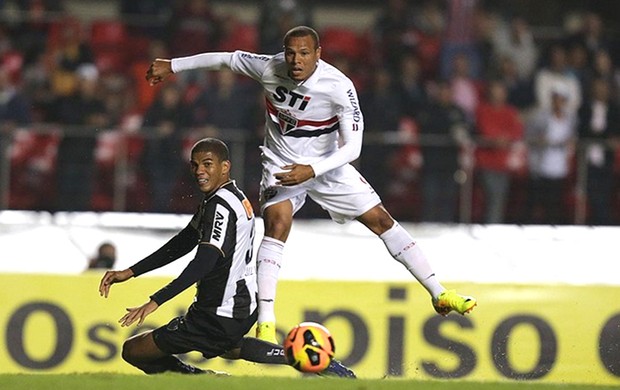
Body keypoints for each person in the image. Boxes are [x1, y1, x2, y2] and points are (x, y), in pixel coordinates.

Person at [145, 26, 477, 345]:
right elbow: (226, 58)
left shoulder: (339, 86)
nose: (296, 60)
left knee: (381, 220)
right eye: (290, 53)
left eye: (304, 53)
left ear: (318, 54)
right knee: (277, 224)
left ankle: (438, 292)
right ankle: (266, 321)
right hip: (281, 164)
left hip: (328, 165)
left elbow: (353, 148)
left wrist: (312, 169)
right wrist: (172, 66)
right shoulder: (269, 67)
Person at [97, 137, 355, 377]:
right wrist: (131, 271)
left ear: (225, 167)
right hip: (238, 303)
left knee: (133, 350)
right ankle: (315, 362)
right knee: (230, 347)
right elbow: (185, 241)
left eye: (208, 164)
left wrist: (156, 300)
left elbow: (205, 261)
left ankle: (201, 378)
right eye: (195, 165)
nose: (200, 171)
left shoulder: (219, 206)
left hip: (221, 309)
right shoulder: (230, 197)